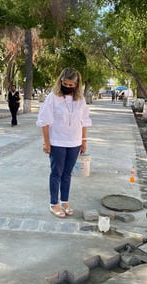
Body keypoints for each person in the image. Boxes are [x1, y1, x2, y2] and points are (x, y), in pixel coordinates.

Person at [36, 67, 92, 218]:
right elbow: (44, 122)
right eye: (65, 84)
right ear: (60, 81)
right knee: (56, 173)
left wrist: (83, 141)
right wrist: (46, 143)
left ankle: (65, 201)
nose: (67, 87)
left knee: (67, 174)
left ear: (76, 84)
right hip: (57, 142)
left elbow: (84, 121)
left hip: (74, 142)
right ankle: (54, 204)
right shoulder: (52, 97)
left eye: (70, 85)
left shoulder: (80, 99)